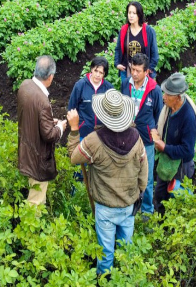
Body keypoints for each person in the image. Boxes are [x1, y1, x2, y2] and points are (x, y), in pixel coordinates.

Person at [67, 89, 148, 275]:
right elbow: (144, 171)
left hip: (104, 207)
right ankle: (126, 278)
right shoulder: (137, 138)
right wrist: (140, 192)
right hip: (129, 204)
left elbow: (74, 158)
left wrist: (73, 130)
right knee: (126, 249)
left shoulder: (94, 141)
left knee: (105, 253)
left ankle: (105, 279)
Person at [17, 55, 67, 206]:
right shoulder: (42, 100)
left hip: (26, 148)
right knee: (35, 201)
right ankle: (31, 228)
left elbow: (31, 115)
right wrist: (60, 127)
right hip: (37, 158)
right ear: (50, 76)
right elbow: (49, 135)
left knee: (36, 193)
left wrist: (48, 121)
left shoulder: (25, 85)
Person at [151, 73, 196, 215]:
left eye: (168, 94)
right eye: (164, 92)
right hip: (167, 162)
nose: (164, 96)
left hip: (180, 168)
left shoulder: (188, 116)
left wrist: (164, 147)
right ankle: (160, 226)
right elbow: (163, 126)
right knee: (160, 196)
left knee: (176, 201)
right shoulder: (168, 108)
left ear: (178, 97)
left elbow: (188, 151)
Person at [121, 53, 162, 214]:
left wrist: (155, 134)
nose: (135, 74)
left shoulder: (154, 90)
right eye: (133, 70)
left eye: (138, 71)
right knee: (128, 172)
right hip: (128, 137)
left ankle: (146, 210)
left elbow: (159, 115)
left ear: (147, 72)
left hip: (146, 140)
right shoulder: (126, 84)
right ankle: (130, 207)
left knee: (147, 177)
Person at [67, 56, 115, 140]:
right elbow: (72, 108)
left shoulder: (109, 88)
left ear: (104, 74)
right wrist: (77, 126)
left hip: (102, 135)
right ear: (91, 69)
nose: (97, 75)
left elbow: (112, 111)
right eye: (96, 70)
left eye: (101, 72)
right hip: (83, 133)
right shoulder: (80, 85)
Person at [114, 1, 159, 81]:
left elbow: (154, 54)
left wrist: (148, 69)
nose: (131, 16)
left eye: (134, 13)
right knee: (127, 93)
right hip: (127, 71)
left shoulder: (149, 31)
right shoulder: (124, 30)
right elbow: (118, 49)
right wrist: (117, 64)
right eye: (129, 12)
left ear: (139, 15)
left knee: (143, 93)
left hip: (143, 72)